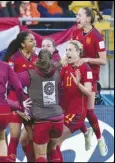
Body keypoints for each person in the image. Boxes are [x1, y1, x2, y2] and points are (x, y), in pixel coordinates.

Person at [72, 7, 108, 156]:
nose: (76, 18)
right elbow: (71, 51)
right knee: (75, 111)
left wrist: (86, 59)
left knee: (89, 111)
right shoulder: (75, 32)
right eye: (76, 15)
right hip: (76, 76)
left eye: (79, 15)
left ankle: (100, 139)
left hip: (91, 78)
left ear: (88, 18)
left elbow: (103, 60)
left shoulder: (97, 37)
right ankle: (86, 133)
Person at [17, 49, 64, 162]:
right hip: (58, 119)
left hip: (41, 120)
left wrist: (20, 103)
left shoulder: (30, 73)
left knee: (41, 155)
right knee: (52, 149)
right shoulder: (58, 71)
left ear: (37, 59)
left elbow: (12, 83)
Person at [51, 40, 94, 162]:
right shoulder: (66, 67)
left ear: (78, 52)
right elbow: (55, 82)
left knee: (54, 141)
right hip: (65, 111)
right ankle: (86, 131)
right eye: (66, 50)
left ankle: (86, 130)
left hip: (77, 114)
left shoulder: (85, 68)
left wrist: (78, 84)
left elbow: (88, 92)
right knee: (55, 143)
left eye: (70, 50)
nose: (67, 53)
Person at [4, 31, 37, 162]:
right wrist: (17, 107)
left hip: (31, 103)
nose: (34, 42)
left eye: (34, 40)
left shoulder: (37, 59)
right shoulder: (13, 59)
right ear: (23, 44)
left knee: (33, 138)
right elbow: (8, 83)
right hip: (15, 102)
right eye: (31, 40)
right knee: (14, 137)